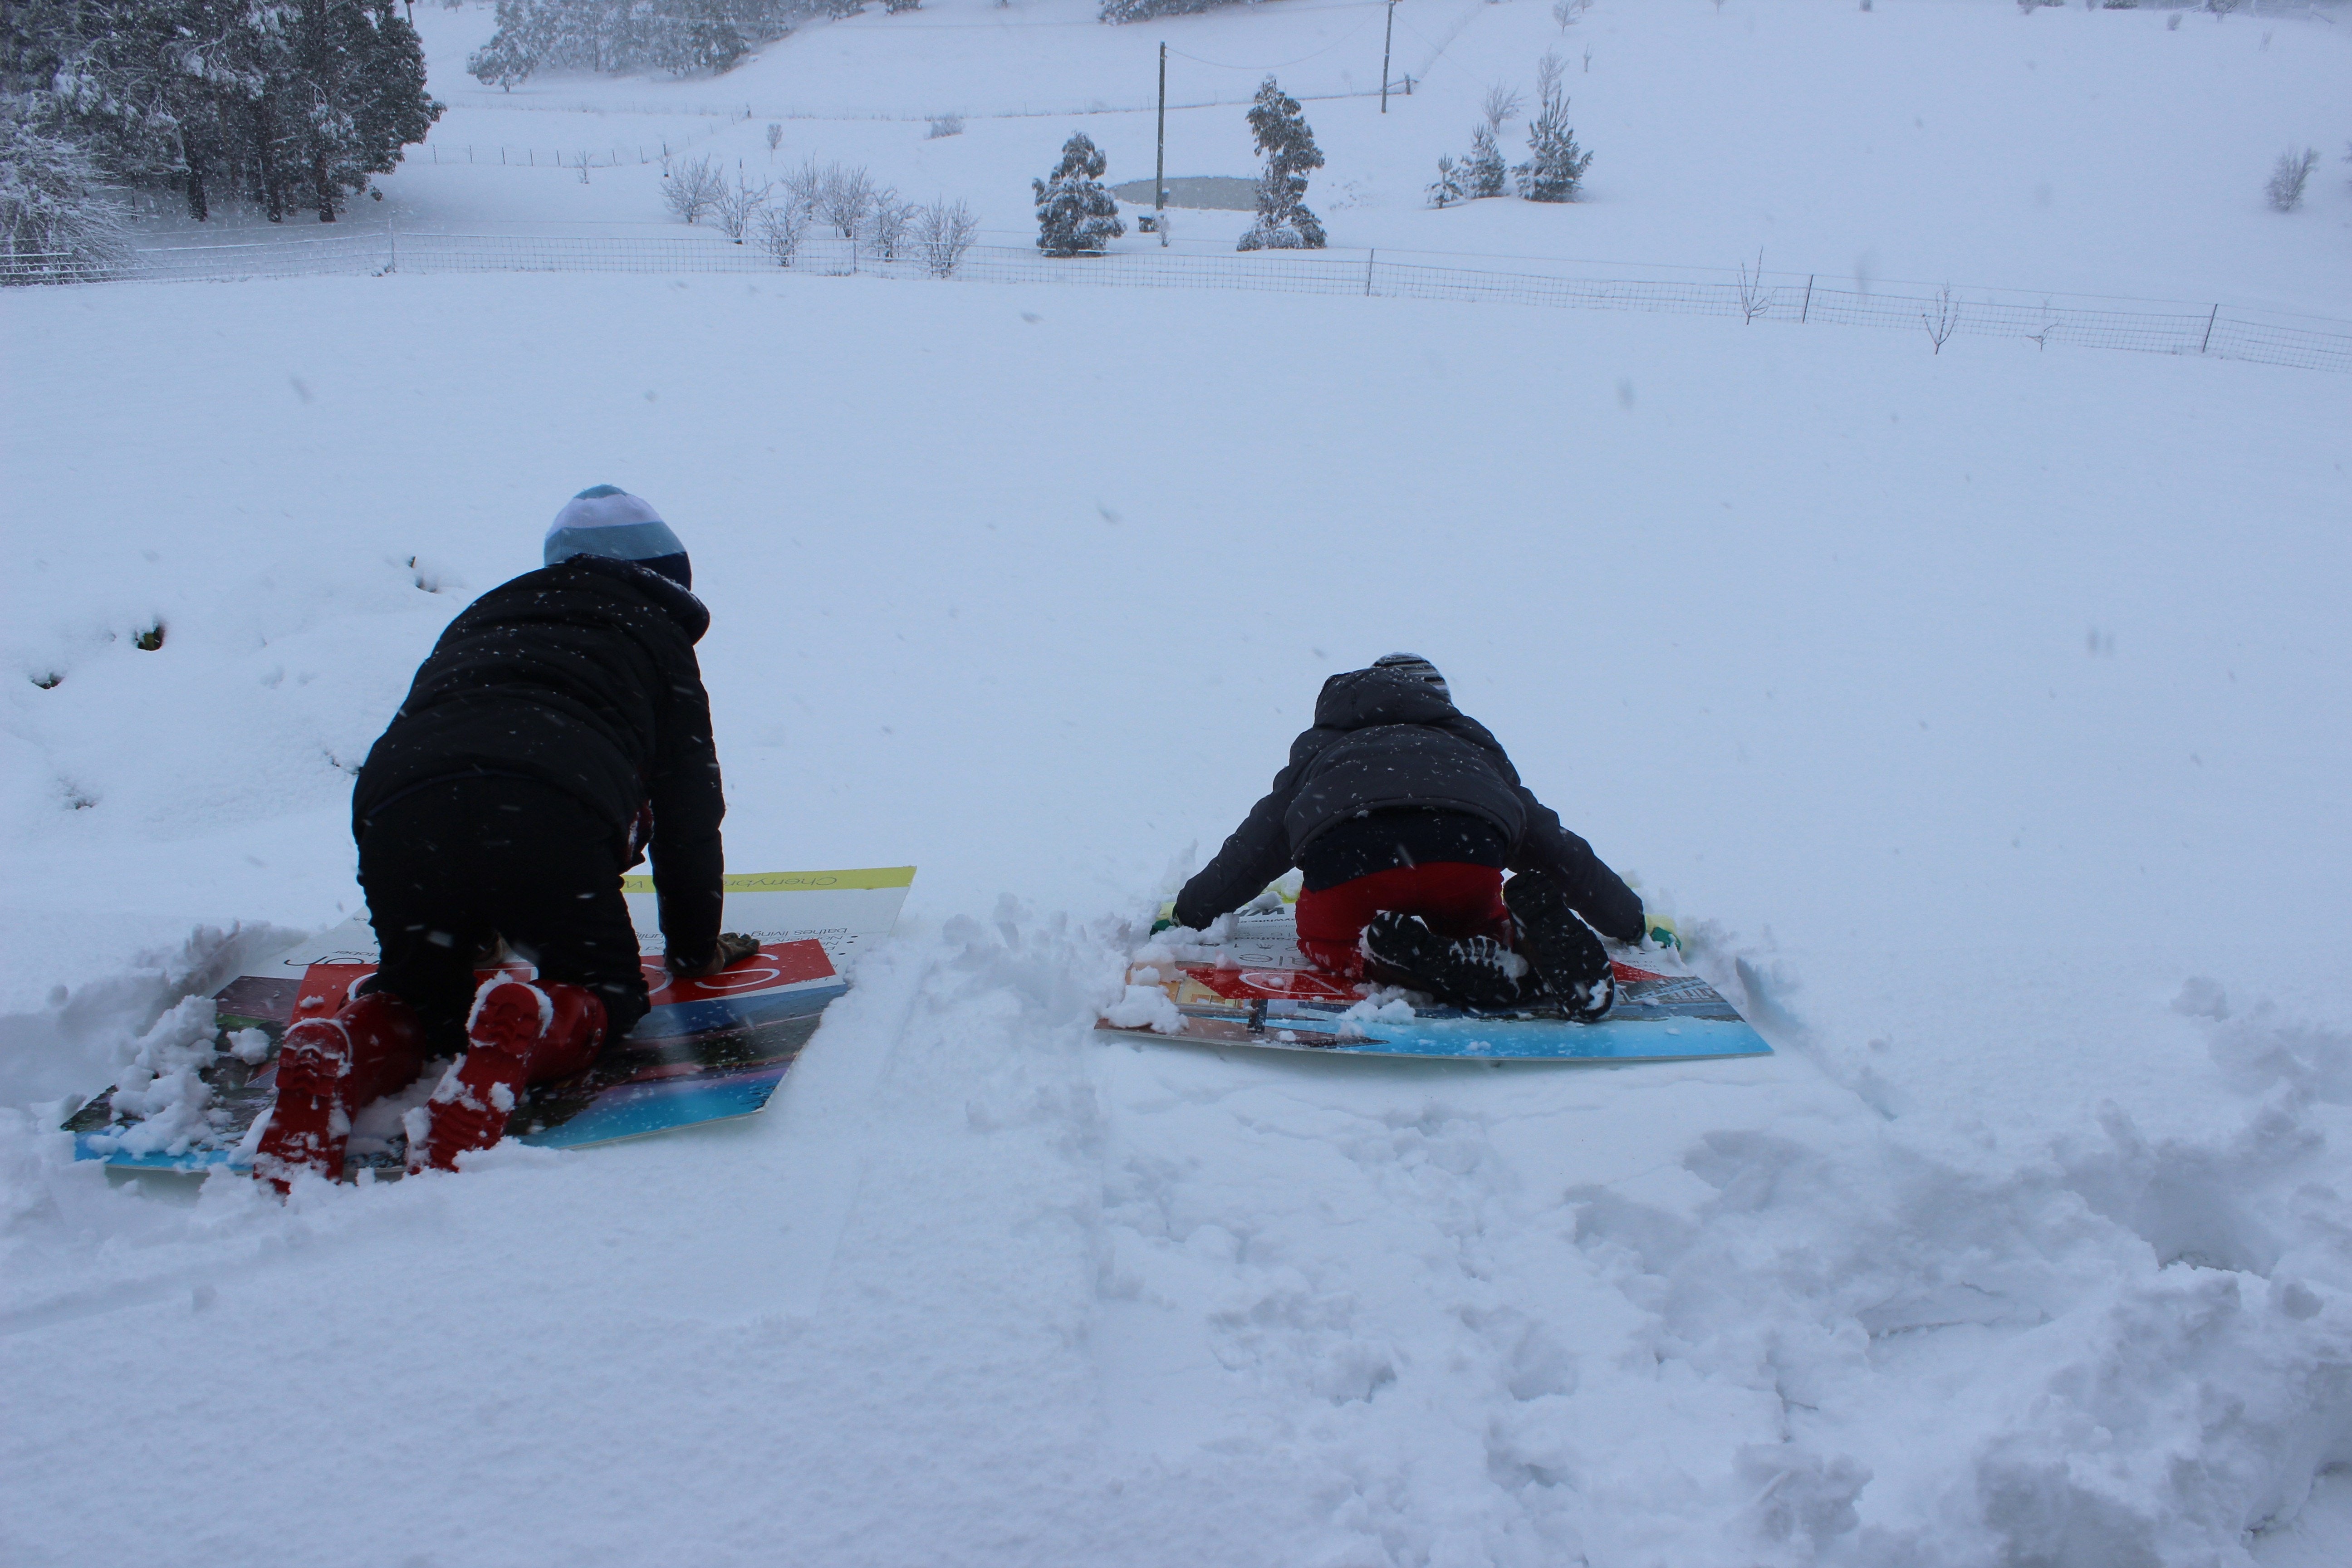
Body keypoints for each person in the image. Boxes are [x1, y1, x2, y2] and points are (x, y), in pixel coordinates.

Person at [253, 486, 757, 1191]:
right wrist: (694, 947)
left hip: (398, 802)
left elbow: (461, 757)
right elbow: (689, 813)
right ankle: (528, 1028)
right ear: (670, 581)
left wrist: (470, 911)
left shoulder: (487, 613)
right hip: (550, 802)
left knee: (420, 999)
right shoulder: (657, 637)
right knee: (607, 989)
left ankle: (345, 1044)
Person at [1170, 653, 1642, 1016]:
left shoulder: (1325, 748)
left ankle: (1383, 954)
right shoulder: (1468, 747)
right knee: (1480, 920)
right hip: (1463, 852)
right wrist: (1628, 920)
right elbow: (1553, 845)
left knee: (1321, 935)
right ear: (1440, 703)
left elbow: (1254, 851)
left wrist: (1193, 912)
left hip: (1351, 859)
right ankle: (1519, 939)